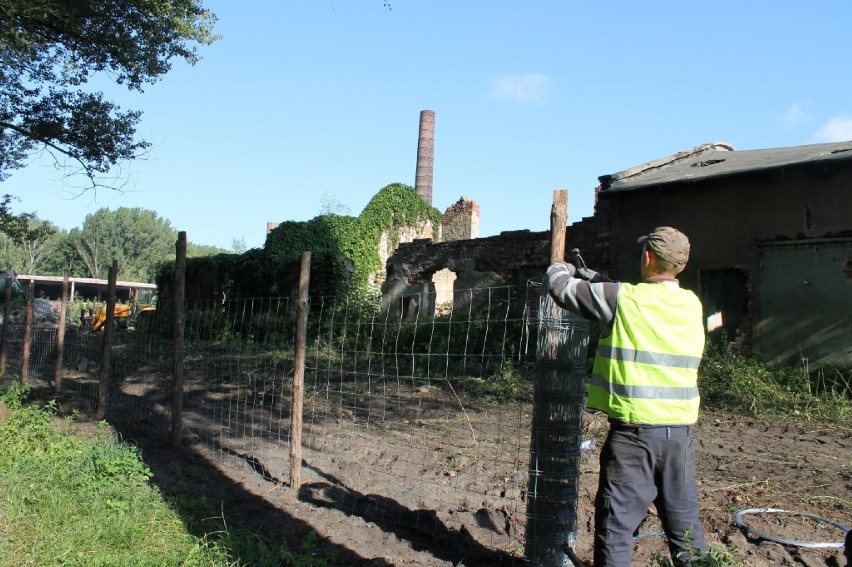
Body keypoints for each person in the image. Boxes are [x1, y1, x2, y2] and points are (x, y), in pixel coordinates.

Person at [545, 226, 706, 567]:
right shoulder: (692, 304)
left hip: (634, 436)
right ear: (682, 266)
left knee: (617, 530)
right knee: (686, 529)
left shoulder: (622, 299)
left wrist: (561, 266)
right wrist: (600, 279)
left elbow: (561, 289)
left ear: (647, 257)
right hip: (679, 437)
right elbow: (643, 308)